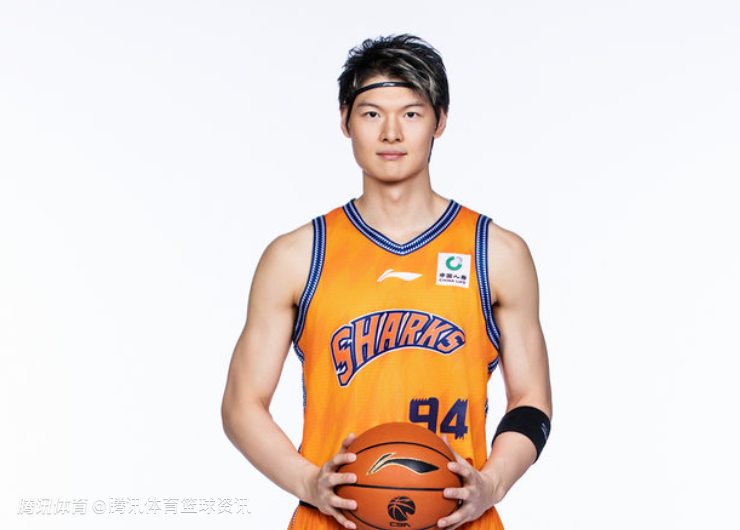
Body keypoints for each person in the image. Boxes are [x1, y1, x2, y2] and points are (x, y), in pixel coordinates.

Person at [221, 34, 552, 530]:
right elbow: (240, 405)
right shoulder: (298, 256)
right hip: (333, 520)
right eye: (372, 113)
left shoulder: (496, 254)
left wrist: (493, 482)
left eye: (411, 114)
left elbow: (531, 401)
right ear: (345, 121)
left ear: (440, 120)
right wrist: (308, 482)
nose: (391, 132)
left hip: (460, 519)